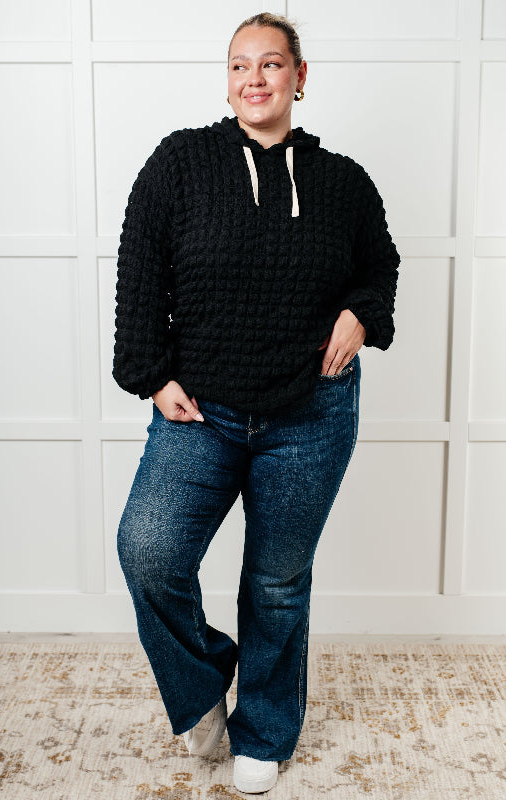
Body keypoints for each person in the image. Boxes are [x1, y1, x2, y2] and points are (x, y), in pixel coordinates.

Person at [113, 12, 400, 795]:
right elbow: (140, 268)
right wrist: (151, 374)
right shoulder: (180, 163)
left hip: (311, 415)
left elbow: (380, 268)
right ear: (228, 80)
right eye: (240, 65)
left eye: (271, 64)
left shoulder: (343, 182)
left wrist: (362, 313)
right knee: (149, 550)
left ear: (299, 77)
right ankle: (204, 685)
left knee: (277, 583)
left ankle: (266, 730)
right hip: (198, 412)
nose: (254, 79)